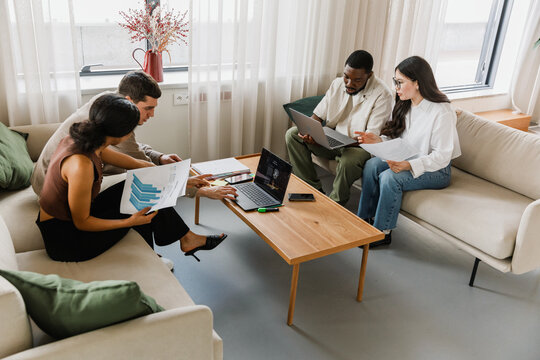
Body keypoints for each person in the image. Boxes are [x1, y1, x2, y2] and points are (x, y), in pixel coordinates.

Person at [36, 94, 227, 262]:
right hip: (67, 240)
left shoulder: (86, 139)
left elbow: (140, 165)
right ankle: (178, 243)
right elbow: (82, 222)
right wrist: (128, 222)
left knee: (142, 184)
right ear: (122, 132)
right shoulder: (81, 165)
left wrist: (182, 180)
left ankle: (184, 241)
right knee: (139, 208)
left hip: (69, 220)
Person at [31, 70, 237, 201]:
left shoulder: (106, 101)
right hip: (54, 188)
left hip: (45, 177)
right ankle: (183, 239)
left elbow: (132, 150)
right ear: (129, 100)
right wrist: (199, 190)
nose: (152, 115)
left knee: (143, 178)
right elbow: (148, 172)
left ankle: (180, 240)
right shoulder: (113, 116)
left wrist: (158, 157)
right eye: (148, 108)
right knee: (146, 187)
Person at [356, 56, 461, 246]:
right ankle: (363, 221)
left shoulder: (442, 112)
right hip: (408, 157)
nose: (396, 87)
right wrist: (378, 140)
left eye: (400, 82)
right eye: (395, 82)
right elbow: (401, 141)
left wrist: (409, 165)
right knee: (372, 165)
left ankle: (382, 232)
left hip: (437, 169)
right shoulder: (406, 103)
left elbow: (443, 156)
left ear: (417, 83)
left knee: (389, 177)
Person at [285, 50, 393, 205]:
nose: (349, 83)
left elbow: (369, 138)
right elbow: (317, 116)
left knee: (349, 160)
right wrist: (309, 131)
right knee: (292, 135)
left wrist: (338, 142)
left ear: (369, 75)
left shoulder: (383, 94)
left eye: (356, 80)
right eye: (346, 77)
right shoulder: (337, 84)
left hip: (360, 147)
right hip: (333, 138)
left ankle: (335, 204)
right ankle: (312, 190)